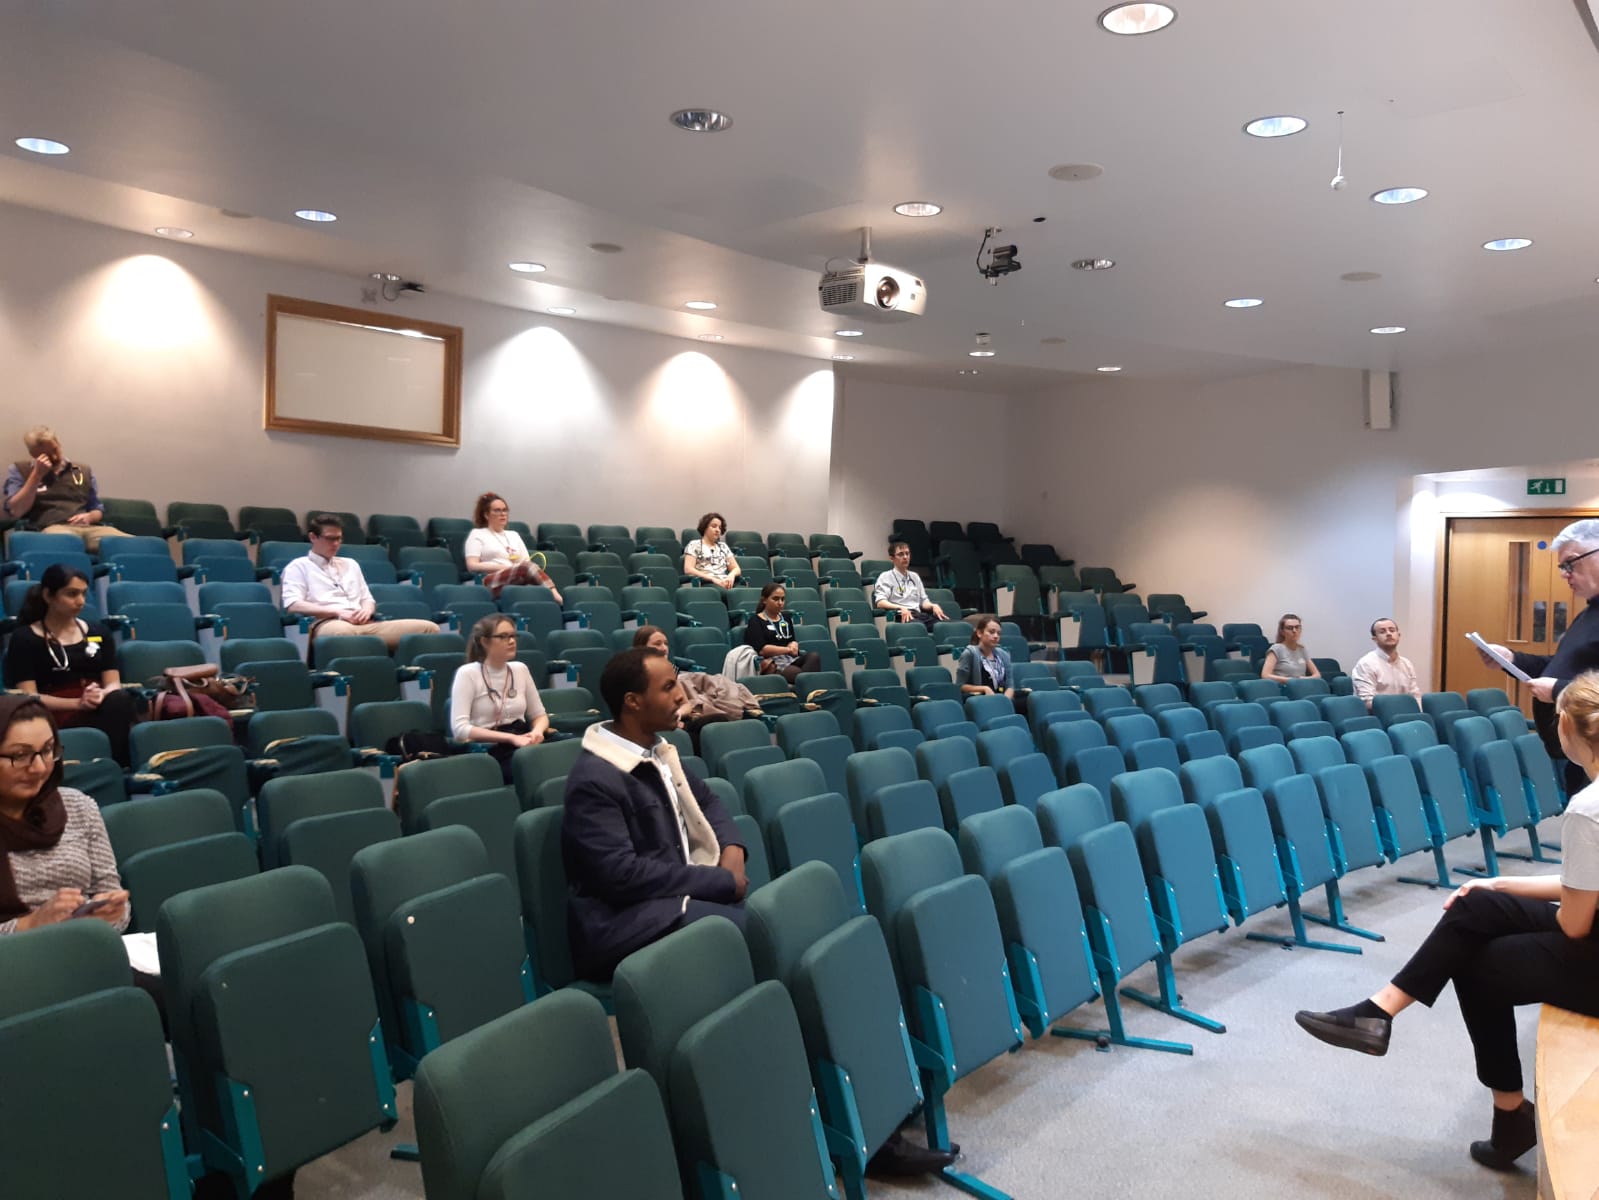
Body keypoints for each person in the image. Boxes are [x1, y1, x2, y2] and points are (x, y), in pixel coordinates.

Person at [1293, 669, 1599, 1172]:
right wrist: (1495, 884)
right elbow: (1585, 887)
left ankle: (1509, 1116)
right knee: (1475, 906)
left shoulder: (1589, 808)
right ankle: (1379, 1011)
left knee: (1478, 967)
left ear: (1565, 728)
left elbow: (1575, 924)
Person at [562, 649, 748, 982]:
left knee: (774, 919)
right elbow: (623, 875)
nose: (681, 695)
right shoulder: (593, 779)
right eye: (667, 688)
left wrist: (732, 853)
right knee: (748, 933)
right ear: (633, 701)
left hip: (672, 899)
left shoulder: (658, 752)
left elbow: (708, 801)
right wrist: (721, 882)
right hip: (624, 924)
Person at [1478, 518, 1599, 794]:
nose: (1564, 574)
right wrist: (1513, 659)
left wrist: (1558, 690)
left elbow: (1570, 682)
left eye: (1570, 563)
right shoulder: (1590, 613)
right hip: (1582, 756)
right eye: (1562, 567)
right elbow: (1567, 667)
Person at [0, 695, 129, 936]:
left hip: (82, 949)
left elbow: (113, 897)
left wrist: (104, 916)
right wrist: (30, 924)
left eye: (48, 750)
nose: (39, 767)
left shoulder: (78, 806)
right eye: (19, 755)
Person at [2, 564, 139, 767]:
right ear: (49, 596)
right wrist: (77, 703)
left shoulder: (98, 632)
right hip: (54, 710)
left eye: (84, 594)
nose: (81, 601)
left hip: (98, 704)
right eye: (72, 594)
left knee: (119, 699)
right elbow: (29, 696)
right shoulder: (25, 638)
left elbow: (112, 682)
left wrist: (101, 694)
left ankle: (119, 768)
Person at [279, 513, 439, 650]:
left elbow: (367, 599)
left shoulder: (350, 564)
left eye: (339, 539)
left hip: (364, 624)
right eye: (330, 539)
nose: (335, 544)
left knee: (429, 629)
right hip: (328, 623)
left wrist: (367, 610)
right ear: (313, 537)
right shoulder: (298, 566)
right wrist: (338, 612)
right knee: (343, 633)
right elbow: (293, 605)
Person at [450, 614, 549, 783]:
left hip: (524, 736)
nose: (511, 641)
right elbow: (459, 729)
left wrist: (537, 732)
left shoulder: (520, 669)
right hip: (491, 746)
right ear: (484, 641)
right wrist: (511, 738)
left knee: (574, 748)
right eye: (503, 637)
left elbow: (539, 715)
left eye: (512, 636)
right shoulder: (467, 673)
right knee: (534, 768)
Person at [3, 425, 129, 553]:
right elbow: (16, 510)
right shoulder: (20, 470)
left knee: (132, 544)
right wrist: (37, 475)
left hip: (88, 528)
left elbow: (97, 508)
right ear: (33, 454)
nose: (54, 457)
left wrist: (90, 517)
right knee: (67, 542)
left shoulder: (82, 471)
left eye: (55, 450)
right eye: (46, 454)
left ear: (59, 443)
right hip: (52, 528)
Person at [462, 492, 563, 603]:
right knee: (526, 569)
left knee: (529, 570)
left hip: (515, 577)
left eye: (505, 510)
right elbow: (472, 565)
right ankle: (556, 596)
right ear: (486, 515)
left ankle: (548, 600)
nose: (503, 514)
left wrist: (515, 567)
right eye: (497, 510)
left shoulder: (513, 535)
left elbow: (526, 562)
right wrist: (504, 567)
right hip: (490, 579)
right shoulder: (477, 534)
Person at [743, 583, 821, 683]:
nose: (780, 603)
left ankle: (806, 688)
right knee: (800, 674)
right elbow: (762, 650)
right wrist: (788, 649)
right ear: (764, 600)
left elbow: (791, 640)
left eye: (782, 599)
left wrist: (794, 644)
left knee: (814, 656)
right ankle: (808, 690)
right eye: (775, 599)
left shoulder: (786, 618)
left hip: (790, 659)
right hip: (772, 662)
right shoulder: (755, 620)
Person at [873, 540, 948, 631]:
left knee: (945, 626)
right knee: (918, 627)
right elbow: (880, 603)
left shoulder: (914, 576)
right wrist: (900, 607)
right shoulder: (885, 576)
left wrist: (933, 606)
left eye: (907, 554)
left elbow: (923, 602)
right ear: (892, 558)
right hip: (902, 615)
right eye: (901, 554)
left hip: (919, 615)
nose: (905, 557)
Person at [1351, 617, 1422, 709]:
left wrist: (1419, 713)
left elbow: (1415, 695)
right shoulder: (1366, 664)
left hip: (1404, 715)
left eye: (1392, 630)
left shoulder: (1406, 664)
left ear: (1399, 635)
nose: (1388, 634)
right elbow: (1367, 702)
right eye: (1382, 632)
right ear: (1374, 638)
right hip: (1377, 717)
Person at [956, 614, 1014, 699]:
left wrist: (1005, 701)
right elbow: (960, 686)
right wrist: (984, 688)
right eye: (991, 632)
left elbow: (1010, 686)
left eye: (998, 633)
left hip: (1002, 699)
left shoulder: (1004, 655)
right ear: (979, 633)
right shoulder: (969, 653)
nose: (996, 636)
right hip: (982, 700)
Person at [683, 512, 741, 591]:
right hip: (707, 582)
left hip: (725, 581)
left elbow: (736, 568)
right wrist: (713, 579)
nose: (717, 530)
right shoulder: (694, 544)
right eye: (714, 526)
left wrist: (731, 575)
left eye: (720, 528)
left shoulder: (723, 546)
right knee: (732, 594)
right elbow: (688, 569)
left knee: (745, 593)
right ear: (705, 528)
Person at [1261, 614, 1320, 682]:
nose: (1294, 631)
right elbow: (1265, 675)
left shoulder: (1302, 649)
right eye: (1289, 628)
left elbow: (1317, 675)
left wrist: (1303, 680)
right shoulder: (1276, 648)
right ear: (1282, 631)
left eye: (1297, 627)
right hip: (1284, 688)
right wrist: (1292, 680)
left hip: (1301, 686)